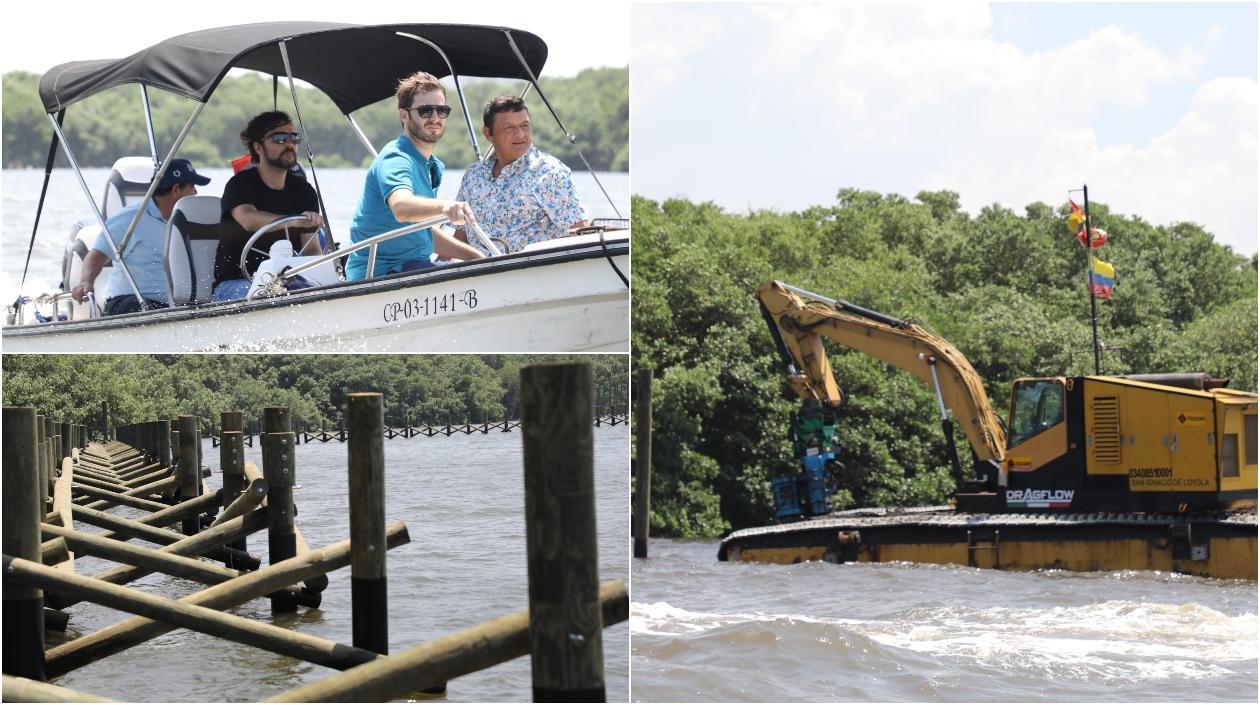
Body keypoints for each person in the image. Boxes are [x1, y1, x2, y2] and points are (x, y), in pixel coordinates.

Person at [345, 71, 483, 280]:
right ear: (404, 115)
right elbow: (401, 208)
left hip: (414, 266)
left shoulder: (431, 166)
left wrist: (474, 256)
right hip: (380, 275)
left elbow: (419, 232)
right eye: (425, 111)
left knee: (478, 265)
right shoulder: (396, 158)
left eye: (442, 110)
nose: (435, 118)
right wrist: (446, 207)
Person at [71, 158, 210, 315]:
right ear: (176, 189)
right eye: (192, 187)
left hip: (174, 304)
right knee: (153, 311)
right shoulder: (130, 218)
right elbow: (97, 256)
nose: (196, 193)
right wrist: (86, 282)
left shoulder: (188, 219)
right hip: (128, 301)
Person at [212, 111, 324, 301]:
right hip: (234, 283)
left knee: (321, 289)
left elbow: (311, 250)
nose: (289, 144)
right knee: (271, 293)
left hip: (285, 283)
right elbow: (247, 219)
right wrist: (296, 221)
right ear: (258, 147)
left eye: (293, 137)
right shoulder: (240, 184)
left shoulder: (304, 191)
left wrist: (321, 280)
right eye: (279, 138)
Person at [455, 95, 588, 254]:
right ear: (488, 134)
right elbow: (460, 235)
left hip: (532, 273)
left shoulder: (550, 172)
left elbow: (581, 233)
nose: (520, 135)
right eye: (509, 128)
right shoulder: (473, 176)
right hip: (477, 274)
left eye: (525, 126)